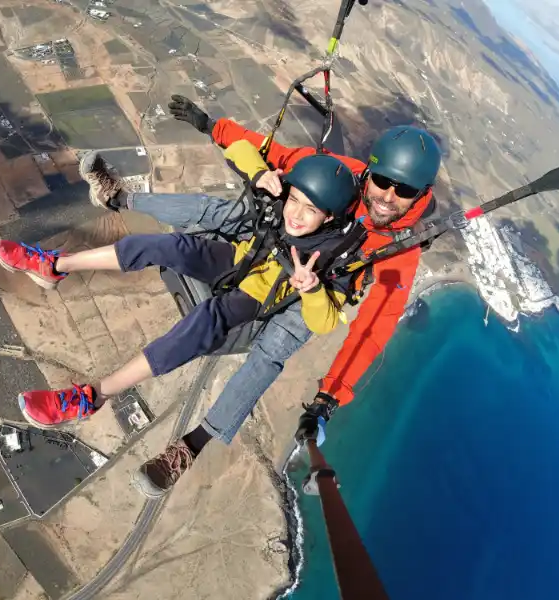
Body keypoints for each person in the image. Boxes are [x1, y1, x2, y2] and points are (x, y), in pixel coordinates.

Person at [86, 95, 442, 498]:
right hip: (282, 247)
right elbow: (279, 154)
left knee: (273, 350)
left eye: (405, 190)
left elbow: (372, 331)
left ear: (422, 193)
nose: (388, 196)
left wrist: (327, 399)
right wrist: (212, 127)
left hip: (317, 292)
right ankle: (118, 198)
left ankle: (190, 447)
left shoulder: (402, 251)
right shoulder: (346, 175)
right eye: (383, 182)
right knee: (212, 211)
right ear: (370, 173)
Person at [0, 142, 360, 432]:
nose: (294, 214)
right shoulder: (284, 202)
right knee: (168, 245)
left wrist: (311, 290)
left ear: (328, 217)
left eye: (309, 210)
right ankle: (53, 266)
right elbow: (238, 148)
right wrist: (262, 172)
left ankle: (93, 397)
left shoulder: (332, 255)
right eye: (294, 200)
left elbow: (326, 321)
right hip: (238, 257)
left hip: (259, 294)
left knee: (206, 321)